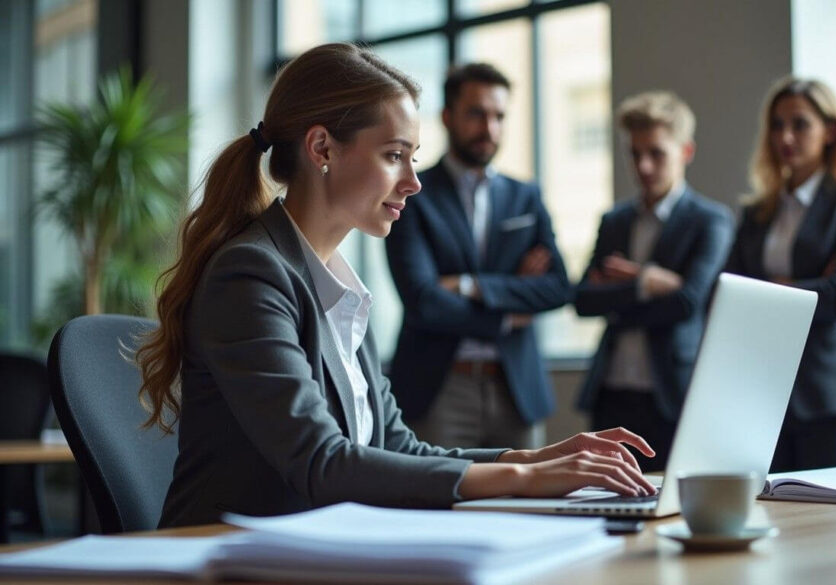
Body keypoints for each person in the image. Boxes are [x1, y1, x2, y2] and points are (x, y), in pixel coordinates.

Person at [135, 43, 654, 528]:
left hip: (318, 551)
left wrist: (531, 458)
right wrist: (524, 480)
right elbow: (322, 462)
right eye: (394, 155)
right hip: (226, 558)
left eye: (413, 155)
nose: (413, 180)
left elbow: (395, 445)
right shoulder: (250, 274)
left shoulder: (338, 282)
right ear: (322, 149)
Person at [385, 63, 570, 450]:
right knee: (435, 503)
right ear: (447, 117)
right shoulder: (412, 194)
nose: (489, 128)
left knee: (527, 507)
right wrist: (506, 313)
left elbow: (557, 288)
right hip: (438, 388)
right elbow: (423, 300)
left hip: (516, 389)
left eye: (499, 116)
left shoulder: (526, 197)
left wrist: (469, 286)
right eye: (476, 113)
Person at [574, 91, 733, 472]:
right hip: (611, 393)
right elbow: (582, 300)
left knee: (670, 506)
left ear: (686, 152)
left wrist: (619, 295)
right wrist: (649, 283)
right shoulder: (614, 221)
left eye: (656, 153)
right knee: (604, 502)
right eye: (635, 153)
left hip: (674, 394)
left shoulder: (710, 220)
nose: (643, 166)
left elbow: (687, 302)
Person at [726, 77, 836, 472]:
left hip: (829, 390)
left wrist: (764, 292)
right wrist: (804, 287)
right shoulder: (758, 210)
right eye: (776, 125)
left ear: (830, 131)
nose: (785, 136)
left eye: (800, 124)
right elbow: (726, 296)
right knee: (771, 518)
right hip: (764, 389)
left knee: (833, 521)